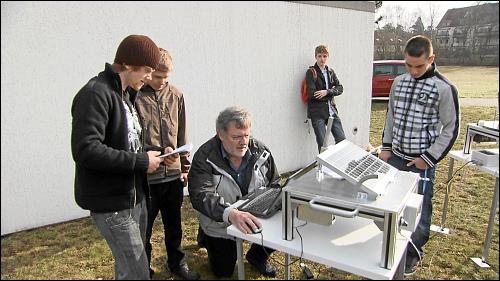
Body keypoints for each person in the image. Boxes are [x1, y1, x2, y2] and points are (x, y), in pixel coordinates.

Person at [71, 34, 177, 280]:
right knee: (138, 272)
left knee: (128, 269)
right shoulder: (95, 94)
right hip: (112, 205)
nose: (150, 77)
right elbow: (86, 149)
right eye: (147, 70)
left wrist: (159, 154)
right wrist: (142, 162)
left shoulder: (126, 95)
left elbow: (128, 144)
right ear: (128, 64)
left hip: (134, 200)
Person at [379, 35, 460, 275]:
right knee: (390, 205)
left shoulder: (444, 88)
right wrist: (385, 147)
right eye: (409, 65)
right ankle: (391, 245)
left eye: (419, 66)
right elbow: (391, 116)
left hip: (421, 161)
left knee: (420, 211)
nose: (413, 71)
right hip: (395, 157)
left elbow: (451, 128)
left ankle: (413, 252)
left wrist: (428, 158)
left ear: (431, 58)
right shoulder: (399, 83)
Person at [188, 106, 280, 278]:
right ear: (220, 135)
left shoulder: (261, 150)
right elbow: (201, 195)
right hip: (221, 223)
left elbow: (275, 184)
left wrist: (272, 207)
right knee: (223, 271)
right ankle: (206, 235)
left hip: (256, 216)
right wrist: (231, 214)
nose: (244, 142)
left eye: (246, 135)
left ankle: (257, 256)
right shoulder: (204, 156)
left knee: (283, 226)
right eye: (236, 137)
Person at [135, 48, 199, 280]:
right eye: (158, 76)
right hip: (147, 178)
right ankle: (144, 268)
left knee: (175, 225)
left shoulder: (176, 95)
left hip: (172, 176)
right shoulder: (134, 96)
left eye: (166, 78)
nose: (162, 82)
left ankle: (177, 264)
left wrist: (184, 167)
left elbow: (182, 133)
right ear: (149, 71)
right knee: (144, 229)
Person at [306, 44, 346, 152]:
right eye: (319, 56)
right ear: (315, 57)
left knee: (342, 140)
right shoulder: (311, 72)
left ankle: (339, 164)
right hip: (317, 113)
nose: (322, 59)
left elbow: (340, 88)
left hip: (331, 111)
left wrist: (327, 92)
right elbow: (312, 93)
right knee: (323, 145)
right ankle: (323, 168)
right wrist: (329, 94)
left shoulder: (330, 72)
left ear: (328, 56)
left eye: (324, 56)